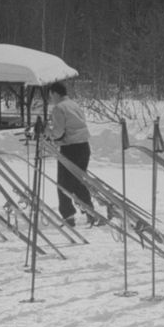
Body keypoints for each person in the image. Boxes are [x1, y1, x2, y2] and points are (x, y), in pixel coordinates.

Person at [46, 82, 95, 226]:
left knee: (63, 183)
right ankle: (90, 211)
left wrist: (47, 132)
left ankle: (68, 216)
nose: (51, 99)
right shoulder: (74, 105)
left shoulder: (59, 108)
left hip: (70, 148)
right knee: (78, 181)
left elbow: (58, 132)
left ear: (55, 93)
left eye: (51, 96)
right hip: (83, 147)